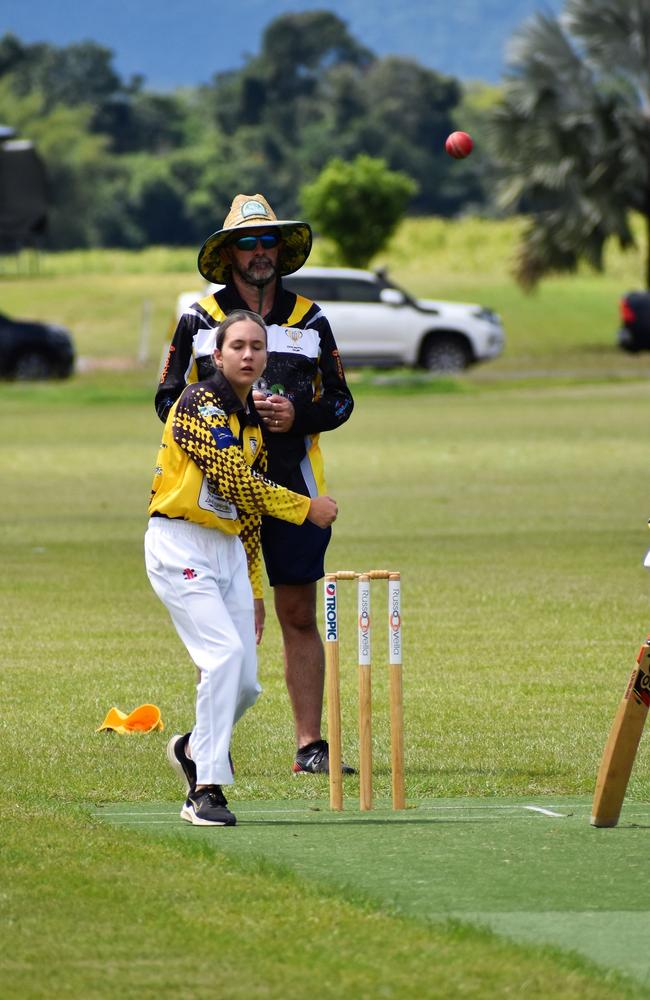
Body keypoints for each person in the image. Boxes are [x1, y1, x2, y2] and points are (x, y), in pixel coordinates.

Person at [155, 194, 355, 776]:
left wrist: (298, 415)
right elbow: (169, 399)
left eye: (269, 241)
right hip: (217, 490)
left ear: (281, 251)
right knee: (222, 623)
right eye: (248, 242)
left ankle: (309, 745)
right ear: (229, 254)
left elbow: (341, 399)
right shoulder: (199, 318)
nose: (260, 252)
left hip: (294, 483)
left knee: (297, 612)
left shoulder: (312, 317)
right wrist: (229, 424)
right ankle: (212, 745)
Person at [145, 310, 338, 826]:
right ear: (217, 353)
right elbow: (233, 480)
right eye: (238, 346)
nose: (248, 355)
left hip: (228, 551)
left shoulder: (253, 423)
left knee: (247, 683)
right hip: (180, 543)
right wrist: (305, 508)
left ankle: (192, 747)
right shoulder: (197, 402)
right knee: (225, 657)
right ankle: (203, 791)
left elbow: (245, 518)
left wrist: (253, 588)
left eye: (257, 346)